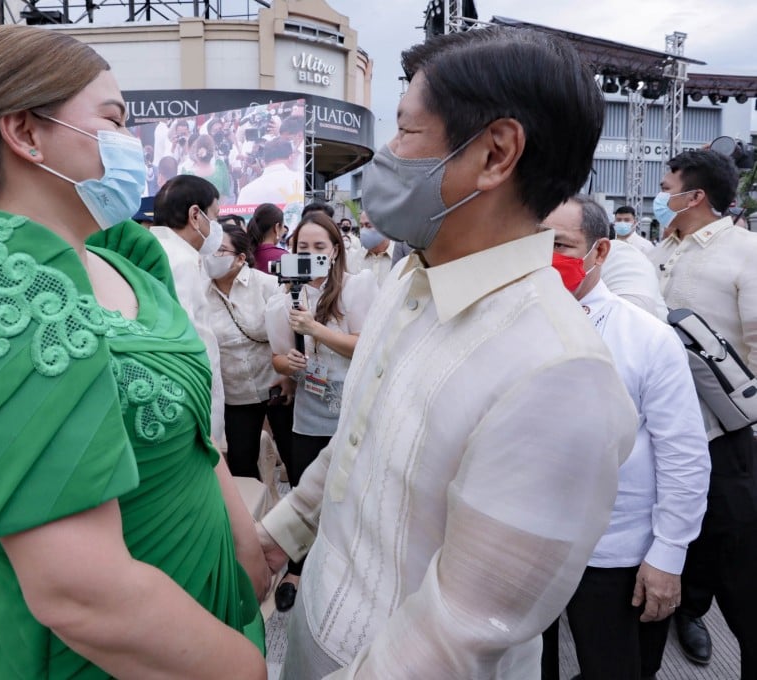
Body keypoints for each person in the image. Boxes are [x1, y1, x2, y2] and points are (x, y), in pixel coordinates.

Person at [0, 25, 266, 680]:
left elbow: (189, 437)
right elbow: (80, 595)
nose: (132, 145)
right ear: (26, 132)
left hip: (197, 604)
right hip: (102, 652)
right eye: (113, 120)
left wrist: (241, 540)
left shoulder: (128, 259)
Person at [256, 27, 636, 679]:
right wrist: (280, 535)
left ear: (495, 153)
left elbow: (459, 635)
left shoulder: (559, 373)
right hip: (314, 631)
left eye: (406, 131)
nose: (386, 156)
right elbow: (357, 444)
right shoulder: (409, 279)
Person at [540, 195, 709, 680]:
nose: (545, 258)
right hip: (529, 546)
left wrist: (668, 554)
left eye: (560, 245)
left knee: (614, 667)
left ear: (599, 254)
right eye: (535, 243)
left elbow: (684, 456)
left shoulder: (647, 339)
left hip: (614, 554)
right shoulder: (512, 323)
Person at [648, 149, 757, 676]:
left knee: (734, 558)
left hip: (726, 436)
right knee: (672, 536)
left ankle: (707, 619)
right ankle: (676, 619)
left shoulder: (745, 252)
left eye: (666, 184)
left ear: (694, 196)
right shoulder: (656, 249)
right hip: (662, 433)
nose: (659, 193)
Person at [264, 211, 377, 613]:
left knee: (349, 495)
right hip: (308, 412)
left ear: (335, 250)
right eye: (302, 248)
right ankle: (298, 567)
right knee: (305, 489)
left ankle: (346, 568)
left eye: (319, 248)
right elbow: (277, 358)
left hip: (351, 412)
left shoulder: (357, 288)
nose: (310, 255)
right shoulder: (283, 301)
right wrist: (287, 365)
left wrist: (316, 329)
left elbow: (366, 346)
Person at [203, 224, 292, 479]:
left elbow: (288, 332)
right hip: (235, 394)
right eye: (209, 250)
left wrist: (289, 376)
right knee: (242, 465)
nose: (212, 256)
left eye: (220, 250)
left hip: (277, 386)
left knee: (293, 456)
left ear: (241, 258)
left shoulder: (266, 285)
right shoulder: (200, 292)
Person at [151, 175, 227, 443]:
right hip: (186, 405)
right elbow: (183, 341)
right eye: (214, 217)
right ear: (196, 215)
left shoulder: (160, 251)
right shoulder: (179, 262)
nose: (216, 228)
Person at [236, 139, 301, 207]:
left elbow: (242, 216)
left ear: (263, 162)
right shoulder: (304, 182)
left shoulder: (247, 191)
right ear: (291, 157)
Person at [351, 211, 393, 286]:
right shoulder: (354, 258)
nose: (363, 231)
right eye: (361, 226)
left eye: (368, 225)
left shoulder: (401, 257)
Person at [247, 203, 287, 274]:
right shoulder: (284, 258)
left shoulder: (245, 255)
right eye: (283, 226)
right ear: (277, 227)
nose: (284, 230)